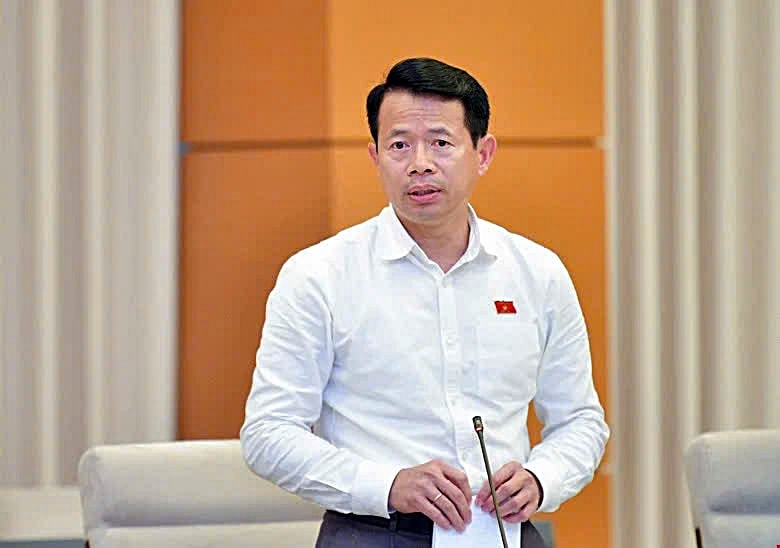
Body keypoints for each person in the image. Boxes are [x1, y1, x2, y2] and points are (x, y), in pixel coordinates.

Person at [240, 57, 609, 547]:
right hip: (374, 532)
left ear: (483, 153)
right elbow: (268, 433)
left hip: (504, 533)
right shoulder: (318, 276)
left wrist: (542, 479)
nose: (420, 163)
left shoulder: (537, 273)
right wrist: (388, 485)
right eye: (399, 145)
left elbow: (581, 420)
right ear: (375, 156)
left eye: (440, 143)